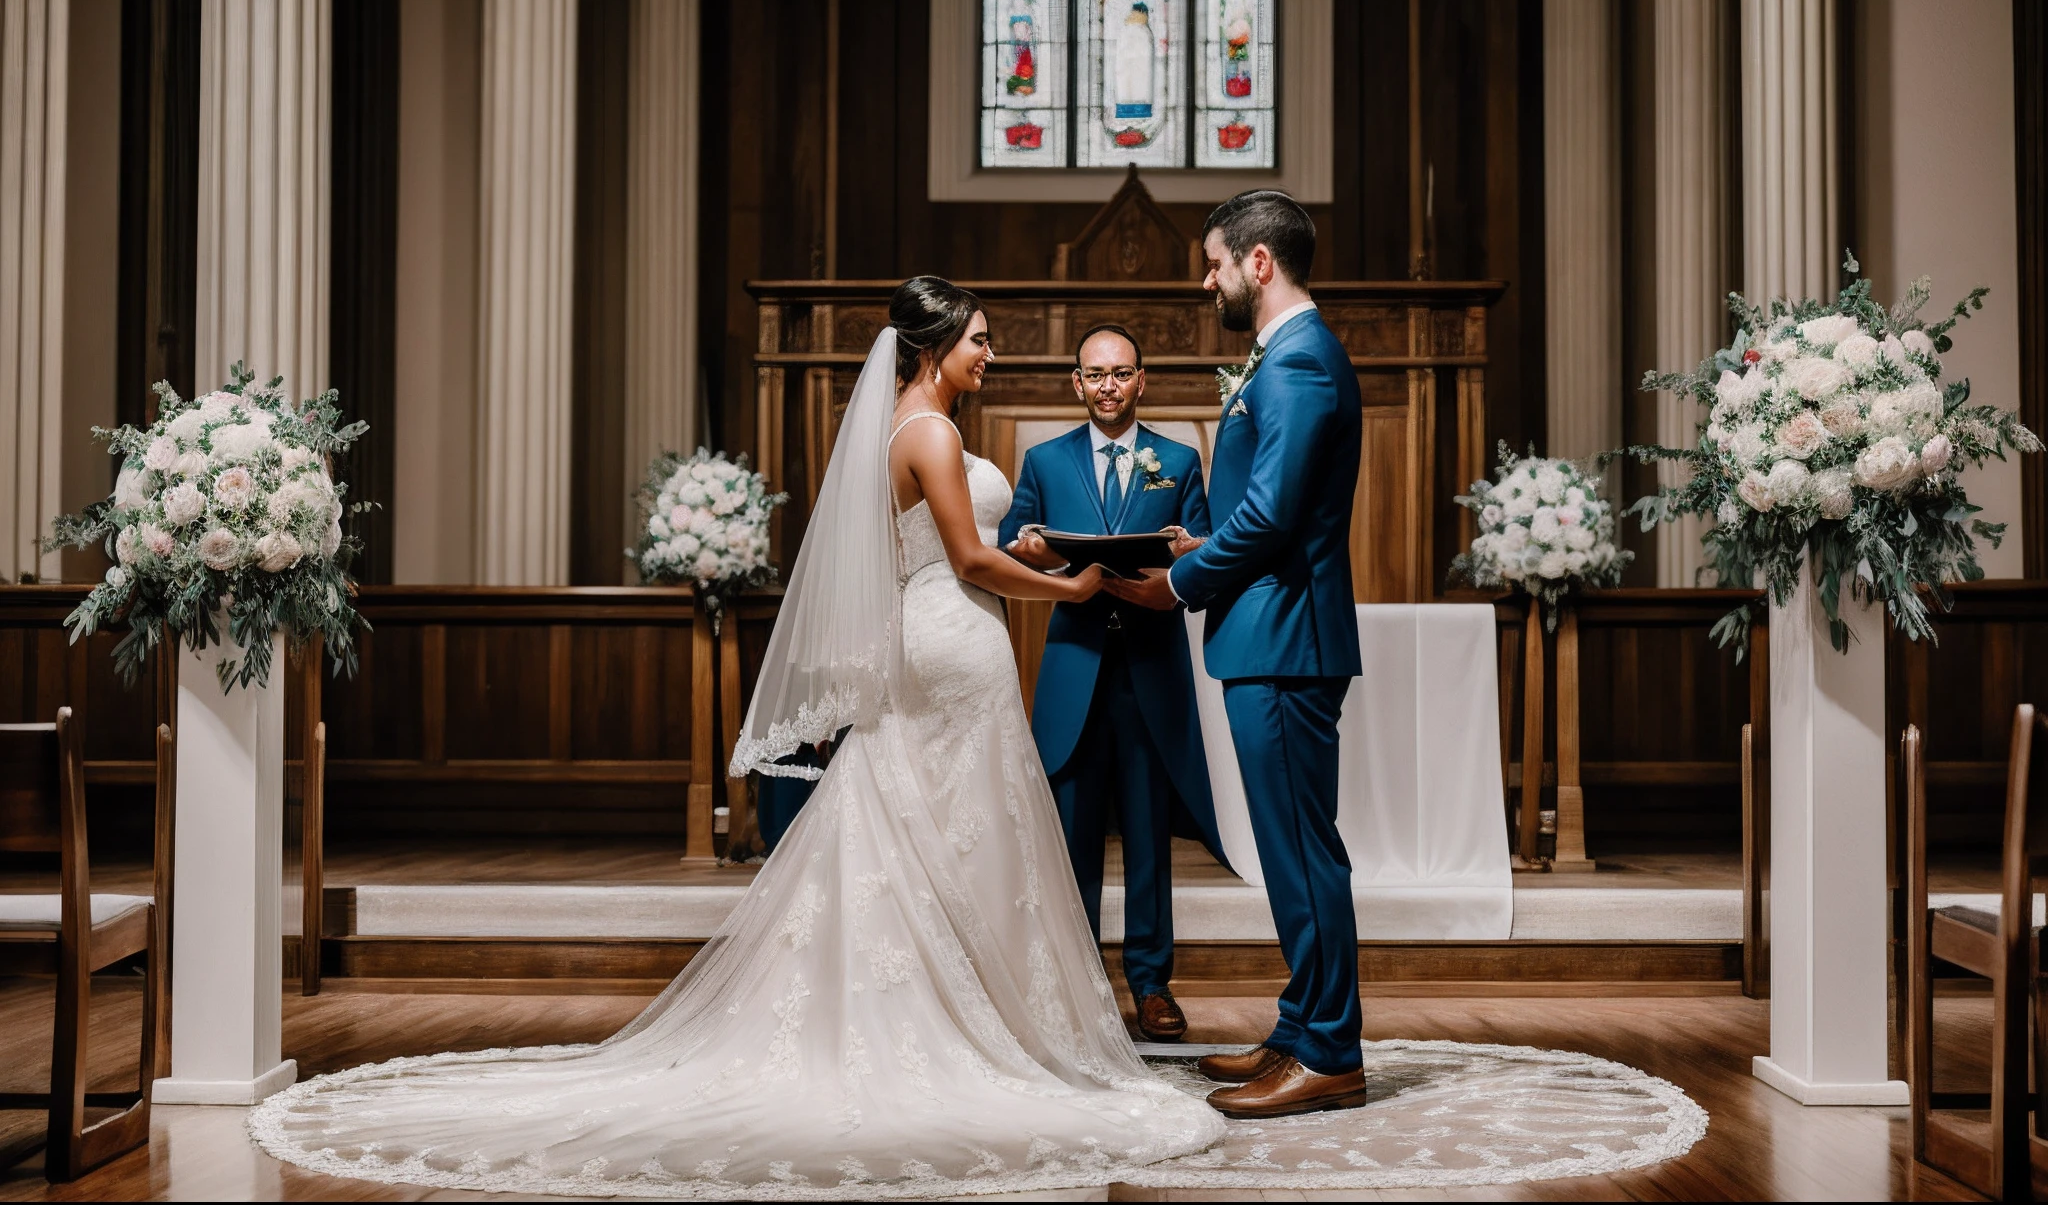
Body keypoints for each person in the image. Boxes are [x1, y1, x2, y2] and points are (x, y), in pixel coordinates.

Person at [250, 277, 1223, 1198]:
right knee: (959, 826)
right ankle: (964, 1019)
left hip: (941, 636)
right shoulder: (925, 429)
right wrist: (1069, 587)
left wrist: (1039, 567)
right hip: (950, 637)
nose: (990, 353)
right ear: (933, 347)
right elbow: (967, 555)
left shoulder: (913, 425)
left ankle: (955, 1002)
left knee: (936, 829)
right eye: (977, 340)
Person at [1106, 191, 1367, 1119]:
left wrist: (1176, 586)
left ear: (1259, 262)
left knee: (1302, 854)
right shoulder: (1289, 357)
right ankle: (1302, 1026)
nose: (1207, 279)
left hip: (1286, 638)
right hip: (1272, 632)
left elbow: (1272, 516)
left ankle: (1332, 1053)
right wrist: (1196, 553)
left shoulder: (1299, 363)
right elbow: (1264, 508)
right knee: (1290, 849)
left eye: (1215, 262)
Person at [999, 323, 1219, 1045]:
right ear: (1077, 383)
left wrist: (1189, 556)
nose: (1108, 386)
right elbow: (1018, 551)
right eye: (1095, 374)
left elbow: (1205, 550)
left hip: (1150, 669)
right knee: (1072, 836)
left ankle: (1152, 985)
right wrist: (1030, 552)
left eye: (1121, 373)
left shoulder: (1180, 458)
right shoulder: (1044, 459)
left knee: (1150, 837)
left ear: (1141, 380)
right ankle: (1077, 984)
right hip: (1075, 667)